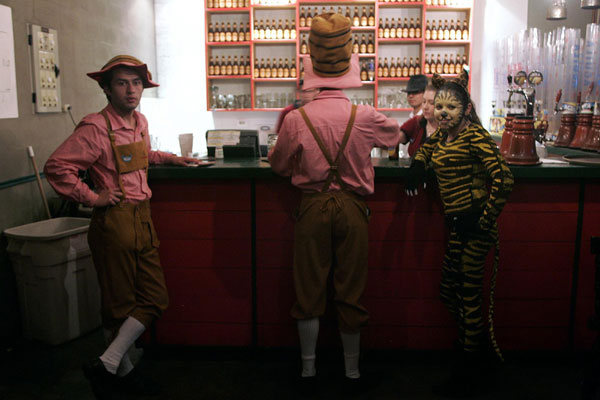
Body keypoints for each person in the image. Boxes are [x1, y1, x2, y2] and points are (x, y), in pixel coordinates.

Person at [44, 55, 199, 399]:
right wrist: (92, 196)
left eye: (137, 82)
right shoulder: (95, 127)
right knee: (118, 304)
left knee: (155, 298)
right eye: (122, 83)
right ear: (106, 88)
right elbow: (57, 167)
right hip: (114, 221)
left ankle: (108, 363)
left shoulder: (140, 121)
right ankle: (121, 375)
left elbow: (141, 155)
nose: (131, 90)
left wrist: (170, 157)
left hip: (142, 217)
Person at [268, 13, 402, 396]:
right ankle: (352, 373)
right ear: (349, 69)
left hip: (311, 209)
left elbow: (278, 167)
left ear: (312, 70)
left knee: (308, 289)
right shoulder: (366, 116)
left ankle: (308, 372)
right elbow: (395, 139)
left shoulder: (296, 119)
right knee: (351, 289)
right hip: (353, 209)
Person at [405, 71, 514, 398]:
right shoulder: (443, 137)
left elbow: (505, 179)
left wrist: (483, 218)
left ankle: (470, 372)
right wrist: (418, 165)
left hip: (474, 229)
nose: (442, 113)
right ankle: (477, 349)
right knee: (449, 292)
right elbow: (427, 149)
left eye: (450, 108)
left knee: (467, 298)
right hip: (457, 227)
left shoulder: (475, 137)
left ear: (466, 109)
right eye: (439, 107)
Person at [391, 84, 438, 158]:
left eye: (431, 103)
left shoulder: (448, 129)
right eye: (424, 102)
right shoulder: (416, 122)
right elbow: (394, 138)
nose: (425, 107)